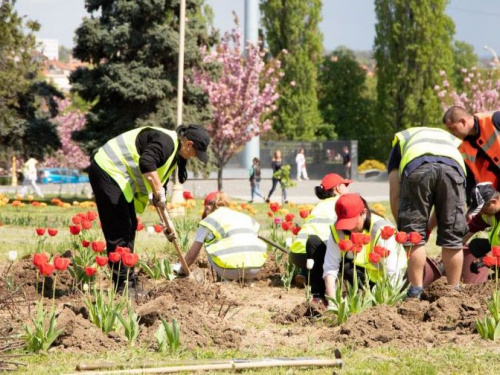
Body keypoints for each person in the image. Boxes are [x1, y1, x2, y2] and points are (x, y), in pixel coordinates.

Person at [88, 124, 210, 292]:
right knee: (119, 231)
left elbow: (159, 193)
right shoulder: (166, 142)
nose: (194, 157)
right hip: (107, 170)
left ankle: (127, 280)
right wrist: (158, 191)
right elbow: (146, 162)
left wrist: (167, 224)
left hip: (118, 177)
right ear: (189, 144)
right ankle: (122, 285)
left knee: (129, 228)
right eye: (196, 152)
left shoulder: (172, 155)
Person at [388, 127, 467, 299]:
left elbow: (395, 191)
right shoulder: (450, 139)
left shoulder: (401, 140)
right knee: (453, 237)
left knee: (413, 235)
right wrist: (429, 228)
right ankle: (454, 292)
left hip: (418, 166)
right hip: (453, 169)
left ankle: (416, 291)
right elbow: (442, 209)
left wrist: (405, 230)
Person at [323, 193, 407, 302]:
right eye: (345, 223)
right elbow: (330, 267)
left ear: (363, 213)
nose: (349, 228)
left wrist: (384, 301)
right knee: (346, 266)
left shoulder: (382, 229)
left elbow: (394, 272)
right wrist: (332, 302)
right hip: (363, 277)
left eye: (352, 222)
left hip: (389, 281)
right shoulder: (337, 229)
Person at [289, 173, 352, 300]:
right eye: (346, 185)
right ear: (338, 188)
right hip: (317, 252)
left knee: (317, 250)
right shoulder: (341, 203)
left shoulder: (319, 206)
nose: (348, 188)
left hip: (297, 254)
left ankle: (306, 273)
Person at [181, 191, 267, 281]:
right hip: (255, 268)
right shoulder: (244, 217)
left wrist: (181, 269)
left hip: (230, 270)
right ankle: (247, 280)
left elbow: (191, 256)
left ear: (208, 207)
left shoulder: (209, 221)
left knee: (210, 242)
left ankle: (225, 280)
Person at [442, 106, 500, 198]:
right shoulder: (463, 148)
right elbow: (470, 179)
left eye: (452, 128)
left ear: (463, 122)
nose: (451, 133)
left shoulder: (494, 119)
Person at [463, 182, 500, 266]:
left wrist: (485, 260)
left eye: (482, 209)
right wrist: (449, 251)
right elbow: (467, 233)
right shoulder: (487, 214)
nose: (481, 212)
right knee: (476, 245)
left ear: (494, 202)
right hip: (497, 252)